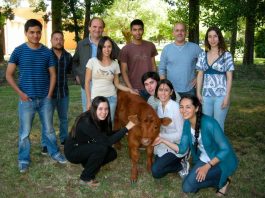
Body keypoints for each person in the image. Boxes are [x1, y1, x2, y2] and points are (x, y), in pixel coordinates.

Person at [6, 19, 67, 173]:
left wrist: (49, 95)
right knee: (25, 133)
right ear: (26, 33)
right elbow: (8, 75)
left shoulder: (47, 52)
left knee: (49, 130)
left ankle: (55, 153)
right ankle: (23, 159)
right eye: (32, 32)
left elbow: (53, 75)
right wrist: (20, 93)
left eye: (38, 32)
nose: (35, 35)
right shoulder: (18, 51)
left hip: (45, 100)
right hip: (27, 100)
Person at [152, 95, 238, 196]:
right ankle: (217, 180)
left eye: (188, 107)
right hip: (204, 158)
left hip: (220, 160)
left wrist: (207, 167)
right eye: (181, 107)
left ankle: (223, 182)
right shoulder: (187, 124)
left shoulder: (210, 123)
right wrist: (162, 140)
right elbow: (182, 149)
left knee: (189, 186)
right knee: (187, 187)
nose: (184, 110)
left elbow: (225, 150)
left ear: (196, 108)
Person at [64, 96, 137, 187]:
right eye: (100, 109)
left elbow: (107, 134)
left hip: (86, 145)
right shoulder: (86, 122)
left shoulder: (100, 118)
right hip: (73, 151)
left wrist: (122, 131)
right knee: (101, 148)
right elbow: (107, 142)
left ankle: (88, 164)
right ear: (94, 109)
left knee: (112, 154)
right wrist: (126, 128)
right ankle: (85, 178)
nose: (104, 112)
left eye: (106, 109)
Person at [85, 36, 137, 124]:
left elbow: (117, 84)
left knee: (109, 122)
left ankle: (108, 138)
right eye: (104, 47)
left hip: (111, 98)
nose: (107, 49)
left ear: (112, 48)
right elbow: (86, 83)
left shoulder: (115, 63)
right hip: (96, 98)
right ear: (100, 48)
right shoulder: (92, 61)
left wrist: (130, 90)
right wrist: (89, 101)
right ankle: (97, 138)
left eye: (109, 46)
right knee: (96, 123)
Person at [72, 17, 120, 112]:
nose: (97, 29)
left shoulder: (109, 43)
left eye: (100, 27)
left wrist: (116, 77)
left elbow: (121, 59)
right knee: (88, 113)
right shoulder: (82, 44)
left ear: (103, 29)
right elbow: (74, 61)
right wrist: (77, 75)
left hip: (105, 85)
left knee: (105, 115)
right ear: (89, 28)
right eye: (94, 27)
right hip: (87, 85)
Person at [196, 26, 234, 131]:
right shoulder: (202, 55)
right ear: (207, 39)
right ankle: (207, 147)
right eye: (210, 37)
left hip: (221, 96)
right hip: (206, 96)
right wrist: (198, 93)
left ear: (219, 38)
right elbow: (200, 75)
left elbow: (230, 78)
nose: (212, 40)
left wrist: (227, 96)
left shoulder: (227, 55)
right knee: (206, 124)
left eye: (215, 36)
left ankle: (219, 147)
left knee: (218, 125)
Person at [41, 31, 72, 154]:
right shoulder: (45, 55)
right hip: (49, 94)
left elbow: (71, 71)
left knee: (63, 118)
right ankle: (45, 143)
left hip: (63, 93)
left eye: (61, 39)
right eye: (56, 39)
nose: (58, 41)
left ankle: (64, 139)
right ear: (51, 40)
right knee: (47, 120)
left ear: (63, 41)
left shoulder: (68, 56)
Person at [151, 79, 189, 179]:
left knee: (156, 172)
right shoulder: (159, 106)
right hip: (165, 142)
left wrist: (161, 137)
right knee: (157, 163)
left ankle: (181, 165)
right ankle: (175, 161)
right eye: (160, 90)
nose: (163, 93)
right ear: (157, 92)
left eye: (166, 90)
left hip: (177, 144)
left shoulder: (176, 108)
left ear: (171, 92)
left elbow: (181, 134)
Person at [159, 22, 202, 97]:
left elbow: (205, 63)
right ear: (173, 33)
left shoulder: (195, 48)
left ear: (186, 32)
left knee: (190, 109)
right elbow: (161, 69)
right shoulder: (167, 49)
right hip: (171, 90)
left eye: (182, 30)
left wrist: (198, 77)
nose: (180, 33)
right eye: (177, 30)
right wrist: (164, 85)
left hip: (189, 89)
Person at [119, 19, 158, 100]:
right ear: (131, 31)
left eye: (140, 29)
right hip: (135, 88)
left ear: (143, 30)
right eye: (135, 30)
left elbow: (154, 66)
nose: (138, 32)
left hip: (150, 88)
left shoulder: (150, 46)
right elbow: (124, 71)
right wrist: (130, 88)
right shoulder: (125, 49)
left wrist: (154, 84)